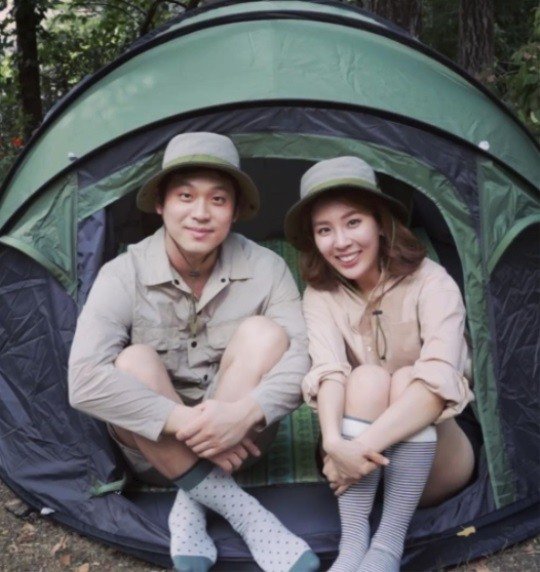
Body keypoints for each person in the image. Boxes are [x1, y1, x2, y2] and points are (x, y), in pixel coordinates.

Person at [68, 132, 319, 572]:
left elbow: (304, 357)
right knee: (132, 361)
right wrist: (186, 423)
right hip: (154, 450)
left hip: (242, 442)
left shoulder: (267, 267)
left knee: (264, 333)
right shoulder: (122, 273)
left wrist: (243, 414)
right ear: (161, 204)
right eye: (185, 196)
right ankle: (247, 514)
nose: (201, 213)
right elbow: (84, 380)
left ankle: (191, 503)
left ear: (235, 211)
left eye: (218, 200)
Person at [284, 156, 476, 572]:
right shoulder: (320, 294)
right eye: (324, 230)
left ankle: (388, 545)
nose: (340, 242)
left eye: (353, 222)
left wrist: (356, 451)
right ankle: (353, 546)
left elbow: (439, 382)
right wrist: (333, 444)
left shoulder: (432, 281)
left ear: (380, 223)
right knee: (367, 378)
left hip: (432, 463)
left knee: (409, 379)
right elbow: (328, 370)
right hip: (350, 465)